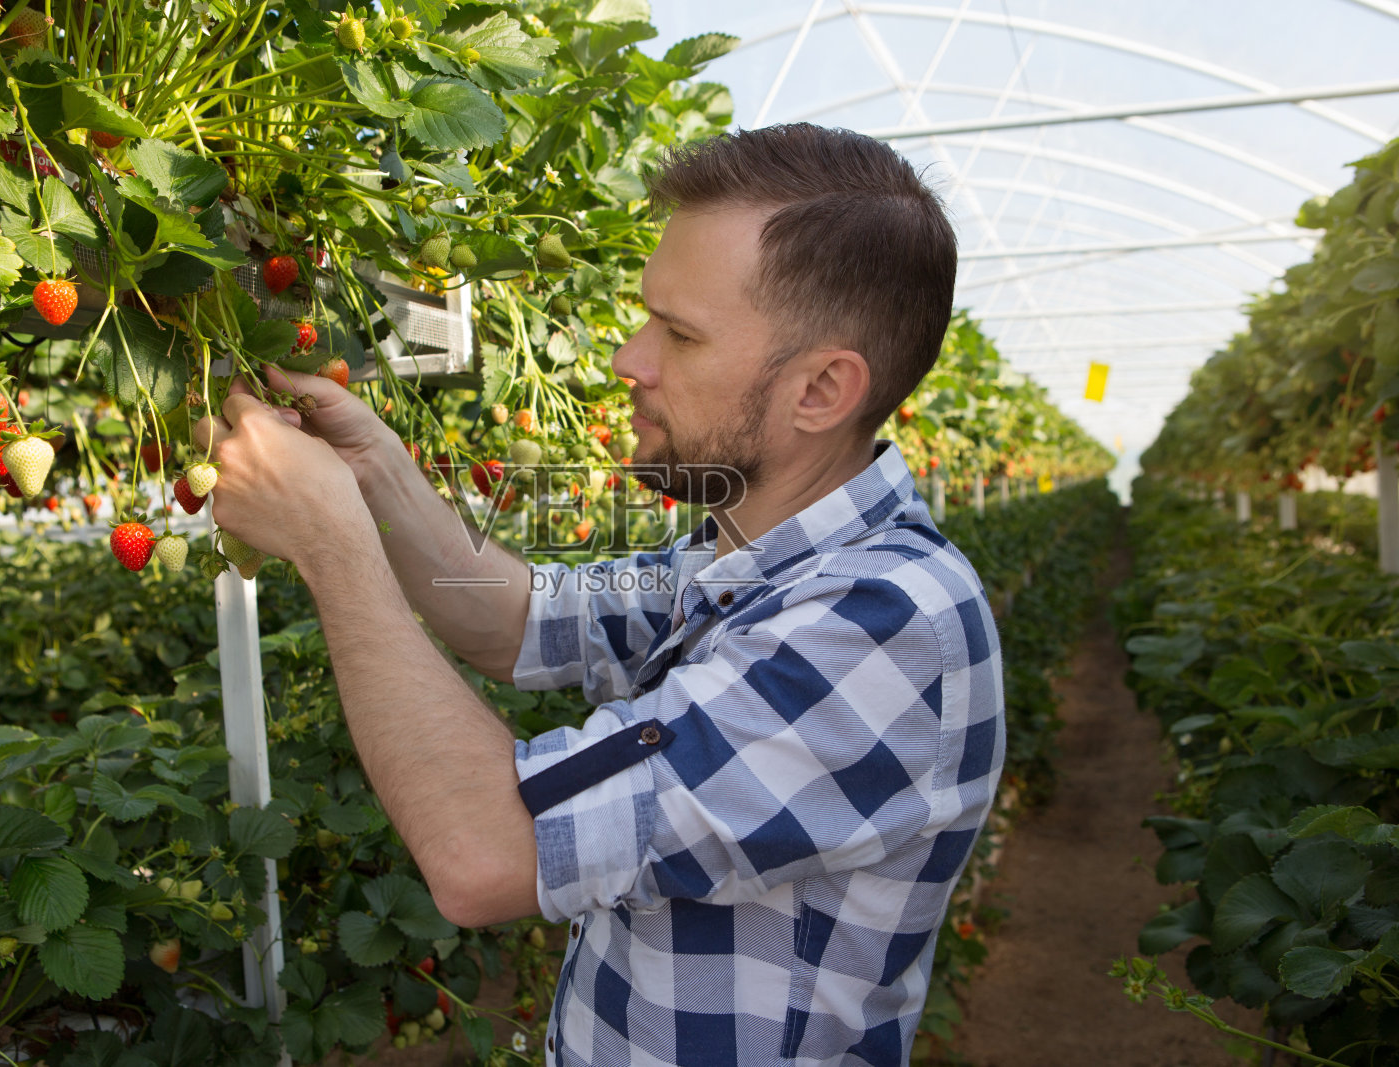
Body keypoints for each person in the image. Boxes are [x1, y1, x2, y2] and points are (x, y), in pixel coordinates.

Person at [196, 123, 1003, 1067]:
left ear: (822, 389)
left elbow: (489, 854)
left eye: (681, 333)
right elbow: (518, 617)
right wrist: (376, 471)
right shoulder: (737, 557)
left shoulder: (886, 624)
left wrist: (333, 545)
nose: (630, 357)